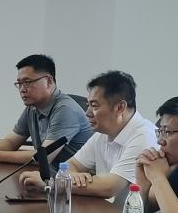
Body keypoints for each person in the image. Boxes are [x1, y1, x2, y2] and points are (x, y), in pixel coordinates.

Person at [18, 71, 156, 198]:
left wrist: (51, 183)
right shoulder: (102, 133)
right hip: (104, 210)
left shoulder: (144, 136)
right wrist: (72, 177)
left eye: (94, 106)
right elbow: (70, 166)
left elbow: (110, 187)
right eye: (88, 105)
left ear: (120, 107)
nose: (87, 113)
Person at [0, 54, 94, 164]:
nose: (22, 89)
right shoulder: (32, 108)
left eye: (27, 82)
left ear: (48, 81)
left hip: (72, 176)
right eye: (19, 84)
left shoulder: (65, 109)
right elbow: (11, 142)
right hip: (48, 174)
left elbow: (44, 157)